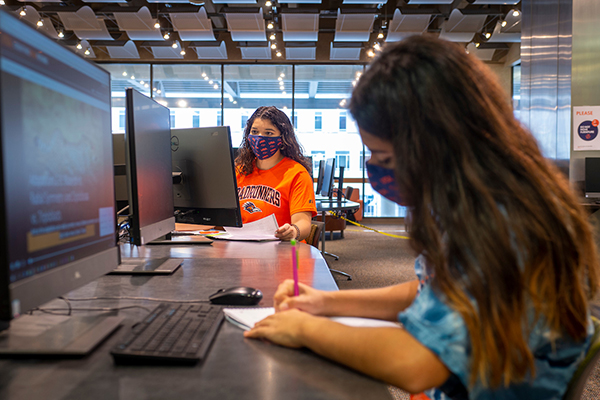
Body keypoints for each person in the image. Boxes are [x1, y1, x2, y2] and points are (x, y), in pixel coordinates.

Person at [244, 35, 600, 399]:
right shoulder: (472, 200)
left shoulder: (503, 221)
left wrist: (303, 329)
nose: (379, 170)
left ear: (433, 142)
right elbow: (431, 290)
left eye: (384, 156)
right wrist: (323, 302)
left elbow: (419, 365)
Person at [236, 106, 317, 241]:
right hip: (243, 248)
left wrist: (293, 231)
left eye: (268, 133)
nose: (259, 138)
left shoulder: (297, 174)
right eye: (255, 132)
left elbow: (303, 222)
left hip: (282, 250)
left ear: (283, 138)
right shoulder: (239, 171)